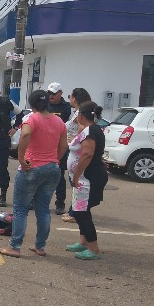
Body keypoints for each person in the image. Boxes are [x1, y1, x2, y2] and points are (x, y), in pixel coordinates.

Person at [0, 90, 68, 258]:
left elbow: (26, 133)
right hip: (52, 169)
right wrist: (54, 159)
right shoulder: (59, 121)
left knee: (20, 209)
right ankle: (40, 246)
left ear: (31, 104)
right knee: (43, 209)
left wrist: (21, 158)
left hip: (32, 167)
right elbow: (64, 145)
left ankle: (15, 246)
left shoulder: (31, 118)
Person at [65, 101, 108, 260]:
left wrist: (76, 175)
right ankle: (83, 242)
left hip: (88, 178)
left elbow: (87, 155)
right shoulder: (90, 129)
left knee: (81, 212)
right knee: (81, 210)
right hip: (85, 178)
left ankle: (93, 248)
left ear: (82, 115)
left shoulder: (91, 131)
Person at [61, 88, 92, 223]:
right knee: (76, 182)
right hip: (74, 149)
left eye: (70, 96)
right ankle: (75, 210)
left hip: (78, 151)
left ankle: (75, 212)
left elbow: (77, 129)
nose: (69, 99)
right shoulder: (78, 112)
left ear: (75, 98)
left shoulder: (81, 114)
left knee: (77, 182)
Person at [46, 82, 73, 215]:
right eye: (49, 93)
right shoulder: (44, 104)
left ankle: (60, 203)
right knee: (40, 174)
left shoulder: (66, 107)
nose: (51, 96)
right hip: (44, 144)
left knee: (59, 175)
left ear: (60, 93)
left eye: (53, 93)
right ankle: (36, 201)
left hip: (59, 145)